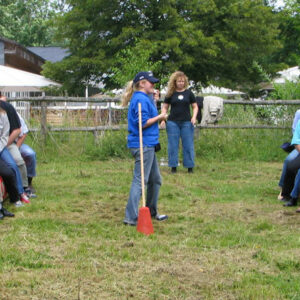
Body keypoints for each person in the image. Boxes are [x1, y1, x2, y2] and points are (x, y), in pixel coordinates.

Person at [122, 71, 168, 226]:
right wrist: (161, 117)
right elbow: (143, 123)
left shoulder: (144, 98)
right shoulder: (139, 99)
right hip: (143, 144)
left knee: (155, 180)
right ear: (142, 83)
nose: (154, 85)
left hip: (149, 143)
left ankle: (151, 211)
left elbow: (149, 113)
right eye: (151, 83)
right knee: (140, 180)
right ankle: (131, 217)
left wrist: (154, 100)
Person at [160, 71, 198, 173]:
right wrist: (163, 119)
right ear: (175, 82)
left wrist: (194, 117)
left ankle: (190, 167)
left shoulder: (189, 93)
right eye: (178, 81)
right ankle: (173, 166)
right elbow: (165, 108)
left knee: (188, 144)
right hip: (173, 122)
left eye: (182, 81)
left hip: (186, 122)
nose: (181, 83)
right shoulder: (170, 94)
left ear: (185, 82)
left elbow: (195, 106)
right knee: (173, 145)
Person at [0, 93, 30, 204]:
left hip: (4, 145)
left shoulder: (4, 113)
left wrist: (1, 146)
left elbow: (6, 133)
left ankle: (21, 192)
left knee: (13, 164)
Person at [278, 109, 300, 200]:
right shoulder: (299, 113)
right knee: (289, 160)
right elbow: (295, 134)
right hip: (298, 146)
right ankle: (283, 189)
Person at [16, 112, 37, 197]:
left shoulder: (14, 114)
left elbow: (24, 132)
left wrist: (17, 147)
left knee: (30, 154)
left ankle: (28, 182)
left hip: (17, 143)